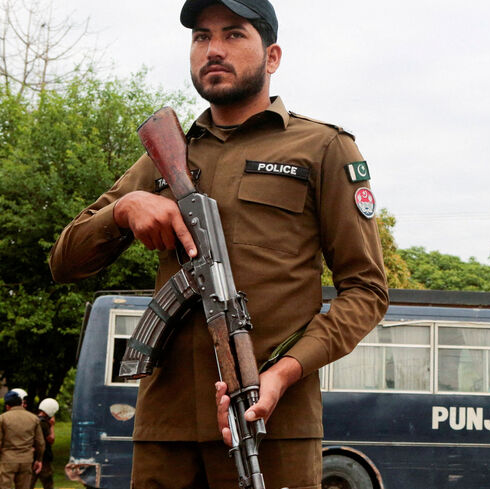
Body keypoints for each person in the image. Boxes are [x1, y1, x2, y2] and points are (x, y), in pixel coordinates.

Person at [48, 0, 389, 486]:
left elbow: (366, 291)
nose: (213, 49)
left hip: (270, 427)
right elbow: (66, 260)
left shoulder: (323, 149)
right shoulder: (168, 156)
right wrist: (125, 210)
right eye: (201, 37)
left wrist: (286, 370)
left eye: (233, 35)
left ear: (272, 57)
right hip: (164, 433)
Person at [0, 391, 44, 489]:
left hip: (7, 460)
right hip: (26, 460)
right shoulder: (33, 418)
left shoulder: (3, 418)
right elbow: (40, 442)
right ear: (21, 403)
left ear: (7, 406)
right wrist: (39, 459)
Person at [29, 398, 58, 489]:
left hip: (31, 455)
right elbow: (50, 439)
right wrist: (52, 425)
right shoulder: (44, 424)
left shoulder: (33, 419)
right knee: (48, 483)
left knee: (29, 481)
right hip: (43, 457)